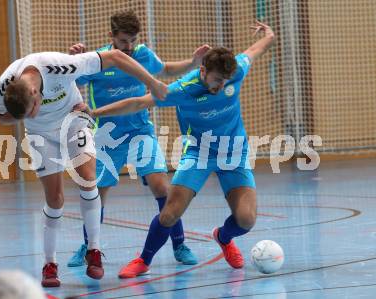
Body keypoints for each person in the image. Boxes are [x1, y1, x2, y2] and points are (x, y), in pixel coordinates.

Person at [92, 20, 276, 278]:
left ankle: (223, 237)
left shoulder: (236, 71)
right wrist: (94, 113)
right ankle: (144, 260)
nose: (220, 87)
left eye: (225, 82)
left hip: (233, 153)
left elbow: (255, 50)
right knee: (168, 215)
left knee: (246, 220)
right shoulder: (182, 89)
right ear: (203, 71)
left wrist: (269, 34)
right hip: (199, 153)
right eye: (215, 80)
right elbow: (137, 103)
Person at [0, 48, 167, 286]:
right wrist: (21, 118)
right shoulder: (5, 86)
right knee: (55, 199)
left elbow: (115, 56)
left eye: (32, 108)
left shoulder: (59, 66)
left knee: (88, 180)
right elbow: (2, 116)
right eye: (27, 114)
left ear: (35, 91)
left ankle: (93, 251)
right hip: (40, 135)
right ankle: (49, 264)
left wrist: (152, 82)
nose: (32, 114)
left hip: (73, 121)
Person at [67, 10, 210, 267]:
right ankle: (89, 247)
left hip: (141, 131)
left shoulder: (142, 54)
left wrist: (192, 62)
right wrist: (74, 60)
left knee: (163, 188)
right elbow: (70, 80)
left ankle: (179, 243)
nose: (129, 46)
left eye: (133, 40)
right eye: (124, 41)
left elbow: (165, 69)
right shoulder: (99, 60)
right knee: (96, 193)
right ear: (111, 37)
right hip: (107, 137)